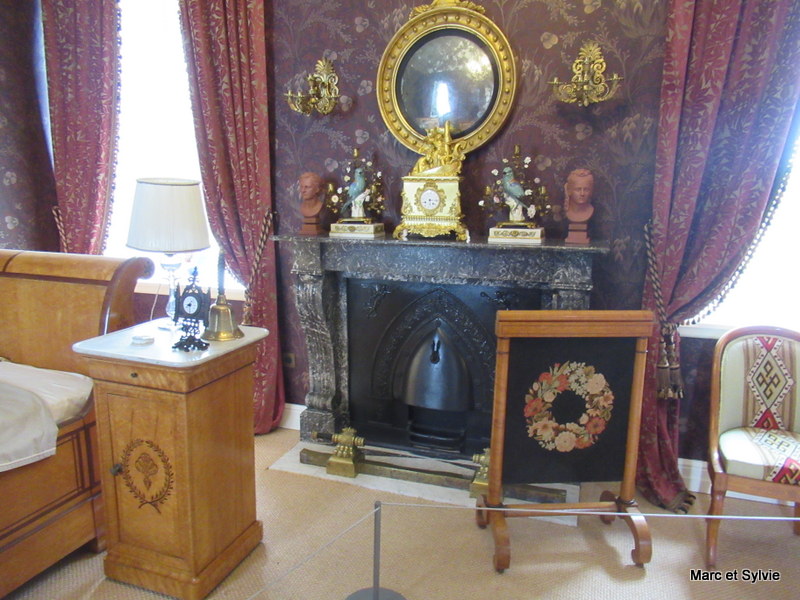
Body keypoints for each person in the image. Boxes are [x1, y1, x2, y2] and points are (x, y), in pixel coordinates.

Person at [564, 168, 594, 243]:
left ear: (591, 191)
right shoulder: (566, 212)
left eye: (586, 189)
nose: (582, 194)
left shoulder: (592, 211)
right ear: (569, 190)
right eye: (578, 189)